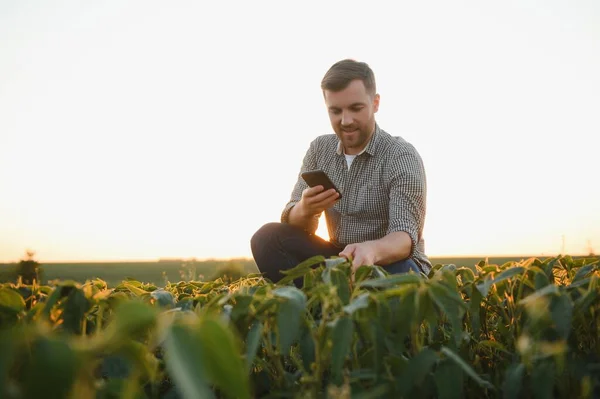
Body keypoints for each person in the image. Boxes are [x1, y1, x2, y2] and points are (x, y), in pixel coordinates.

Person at [251, 59, 431, 285]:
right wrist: (305, 209)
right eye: (335, 111)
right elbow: (297, 224)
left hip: (392, 263)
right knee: (267, 238)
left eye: (356, 108)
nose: (345, 121)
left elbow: (404, 238)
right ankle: (318, 309)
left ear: (375, 103)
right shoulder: (319, 149)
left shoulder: (400, 155)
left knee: (404, 273)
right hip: (339, 258)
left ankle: (337, 305)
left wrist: (371, 251)